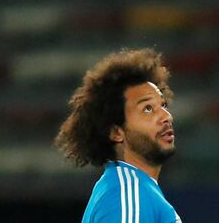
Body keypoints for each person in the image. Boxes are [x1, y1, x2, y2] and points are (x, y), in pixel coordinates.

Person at [54, 48, 182, 223]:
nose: (166, 116)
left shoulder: (133, 189)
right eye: (148, 109)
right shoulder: (128, 194)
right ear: (116, 132)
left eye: (163, 105)